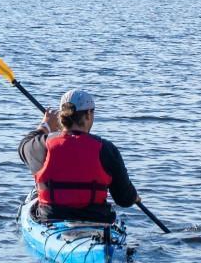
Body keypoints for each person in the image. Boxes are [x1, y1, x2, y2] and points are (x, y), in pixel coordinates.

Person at [18, 88, 139, 223]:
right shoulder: (106, 149)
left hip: (51, 219)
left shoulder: (43, 145)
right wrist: (134, 197)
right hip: (97, 221)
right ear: (88, 114)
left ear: (62, 115)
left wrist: (45, 125)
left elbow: (23, 146)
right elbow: (124, 199)